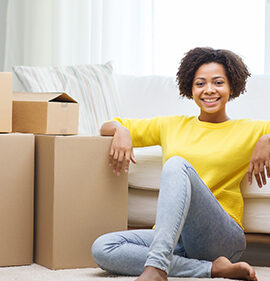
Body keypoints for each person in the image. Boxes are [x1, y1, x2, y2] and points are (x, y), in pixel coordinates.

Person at [91, 47, 270, 281]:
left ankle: (156, 269)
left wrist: (268, 139)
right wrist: (121, 130)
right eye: (200, 84)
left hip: (221, 237)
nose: (209, 90)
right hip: (174, 239)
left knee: (176, 164)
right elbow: (107, 125)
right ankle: (212, 269)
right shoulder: (171, 125)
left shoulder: (251, 129)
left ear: (231, 87)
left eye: (218, 83)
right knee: (103, 248)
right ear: (190, 88)